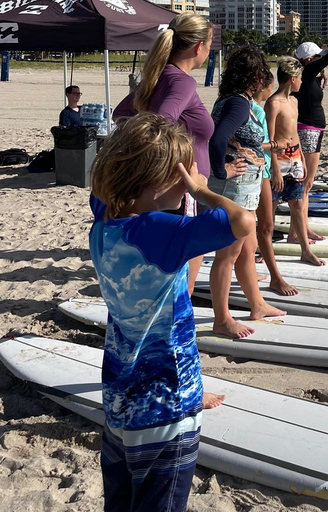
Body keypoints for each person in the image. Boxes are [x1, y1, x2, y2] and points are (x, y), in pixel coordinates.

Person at [89, 112, 255, 512]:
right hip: (166, 408)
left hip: (120, 398)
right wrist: (202, 191)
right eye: (182, 176)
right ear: (160, 182)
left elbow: (104, 193)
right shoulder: (160, 232)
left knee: (121, 499)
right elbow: (242, 221)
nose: (188, 183)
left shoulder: (104, 222)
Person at [113, 13, 215, 297]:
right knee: (181, 284)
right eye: (209, 45)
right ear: (198, 48)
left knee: (163, 277)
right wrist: (172, 162)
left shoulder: (159, 76)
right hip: (181, 192)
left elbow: (121, 115)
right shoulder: (182, 82)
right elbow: (160, 122)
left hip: (166, 188)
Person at [207, 46, 288, 338]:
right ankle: (222, 319)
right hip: (235, 189)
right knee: (227, 255)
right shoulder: (239, 104)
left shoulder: (228, 100)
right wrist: (221, 171)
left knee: (244, 250)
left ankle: (257, 304)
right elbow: (216, 141)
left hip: (244, 189)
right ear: (253, 76)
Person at [266, 57, 325, 266]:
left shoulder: (294, 101)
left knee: (298, 204)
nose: (301, 82)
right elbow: (270, 138)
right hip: (279, 160)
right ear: (292, 78)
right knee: (270, 207)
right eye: (300, 78)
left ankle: (305, 250)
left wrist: (302, 158)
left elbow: (295, 134)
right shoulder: (273, 103)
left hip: (295, 158)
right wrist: (274, 168)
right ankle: (266, 249)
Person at [253, 73, 299, 296]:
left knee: (262, 225)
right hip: (259, 171)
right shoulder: (258, 108)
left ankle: (263, 272)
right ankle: (275, 277)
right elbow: (245, 144)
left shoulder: (255, 107)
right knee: (264, 225)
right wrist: (274, 148)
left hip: (262, 169)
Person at [293, 41, 328, 243]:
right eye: (317, 57)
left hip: (313, 129)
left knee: (307, 183)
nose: (321, 61)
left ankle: (304, 228)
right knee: (305, 183)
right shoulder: (308, 71)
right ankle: (296, 232)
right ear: (310, 60)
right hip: (308, 130)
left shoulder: (310, 76)